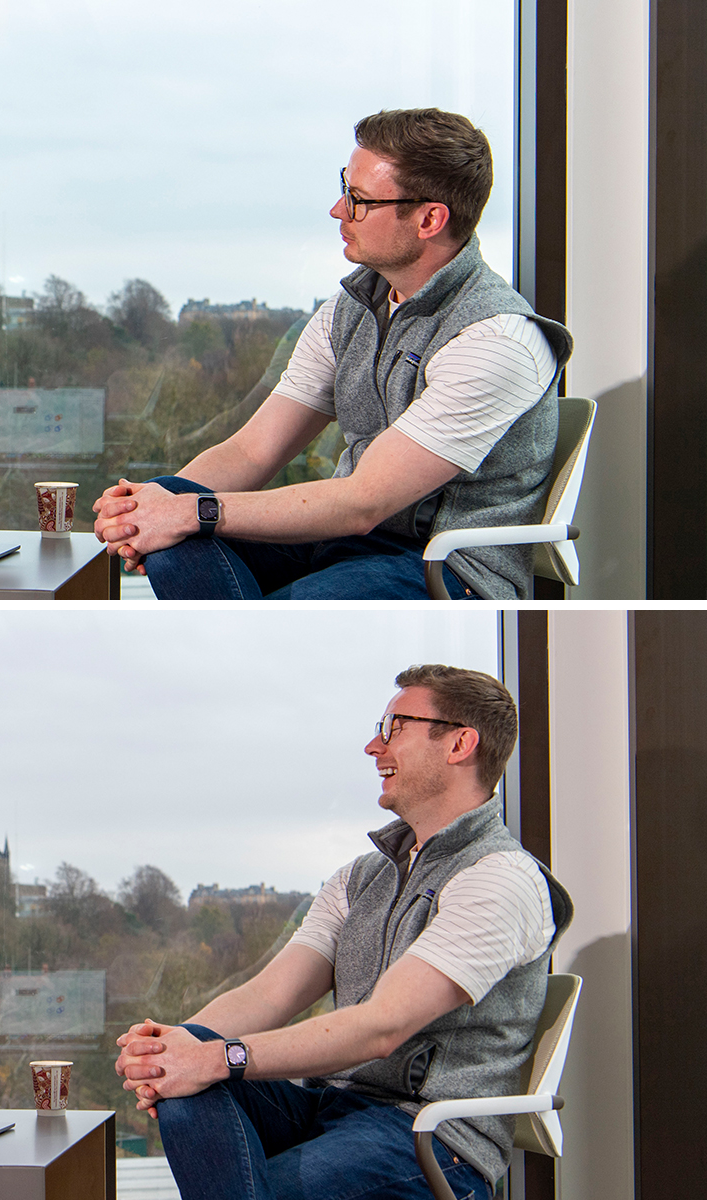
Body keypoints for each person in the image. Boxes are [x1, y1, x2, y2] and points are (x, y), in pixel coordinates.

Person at [114, 665, 573, 1200]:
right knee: (187, 1073)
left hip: (427, 1137)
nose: (372, 746)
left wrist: (216, 1058)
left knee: (214, 1083)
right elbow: (270, 994)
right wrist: (168, 1048)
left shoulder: (501, 879)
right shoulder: (361, 877)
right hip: (329, 1105)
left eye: (394, 727)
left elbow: (382, 1027)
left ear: (459, 744)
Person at [92, 110, 574, 600]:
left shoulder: (499, 340)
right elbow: (251, 451)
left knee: (195, 523)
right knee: (171, 500)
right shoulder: (347, 311)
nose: (338, 210)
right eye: (346, 188)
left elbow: (364, 502)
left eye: (359, 200)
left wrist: (189, 514)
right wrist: (144, 512)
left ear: (430, 219)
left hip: (441, 564)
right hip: (338, 538)